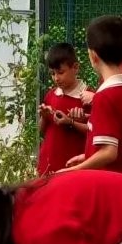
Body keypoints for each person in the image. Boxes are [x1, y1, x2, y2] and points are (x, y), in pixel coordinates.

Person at [64, 15, 122, 175]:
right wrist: (88, 157)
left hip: (106, 182)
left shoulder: (104, 97)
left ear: (93, 56)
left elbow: (109, 152)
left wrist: (74, 171)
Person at [37, 43, 90, 176]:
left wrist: (72, 123)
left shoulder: (88, 97)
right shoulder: (51, 95)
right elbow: (41, 130)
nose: (56, 78)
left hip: (73, 165)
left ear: (75, 67)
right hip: (48, 163)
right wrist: (44, 116)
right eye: (52, 73)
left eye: (60, 72)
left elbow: (94, 132)